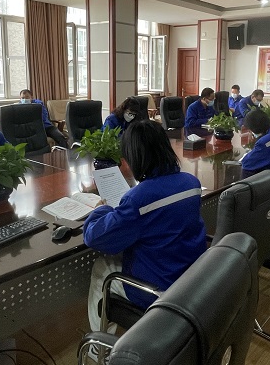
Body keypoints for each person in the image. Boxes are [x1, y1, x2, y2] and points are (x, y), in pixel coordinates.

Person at [83, 120, 207, 333]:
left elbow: (94, 237)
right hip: (190, 280)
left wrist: (101, 209)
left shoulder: (139, 199)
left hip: (159, 290)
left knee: (102, 266)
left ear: (134, 158)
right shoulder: (192, 183)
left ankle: (98, 346)